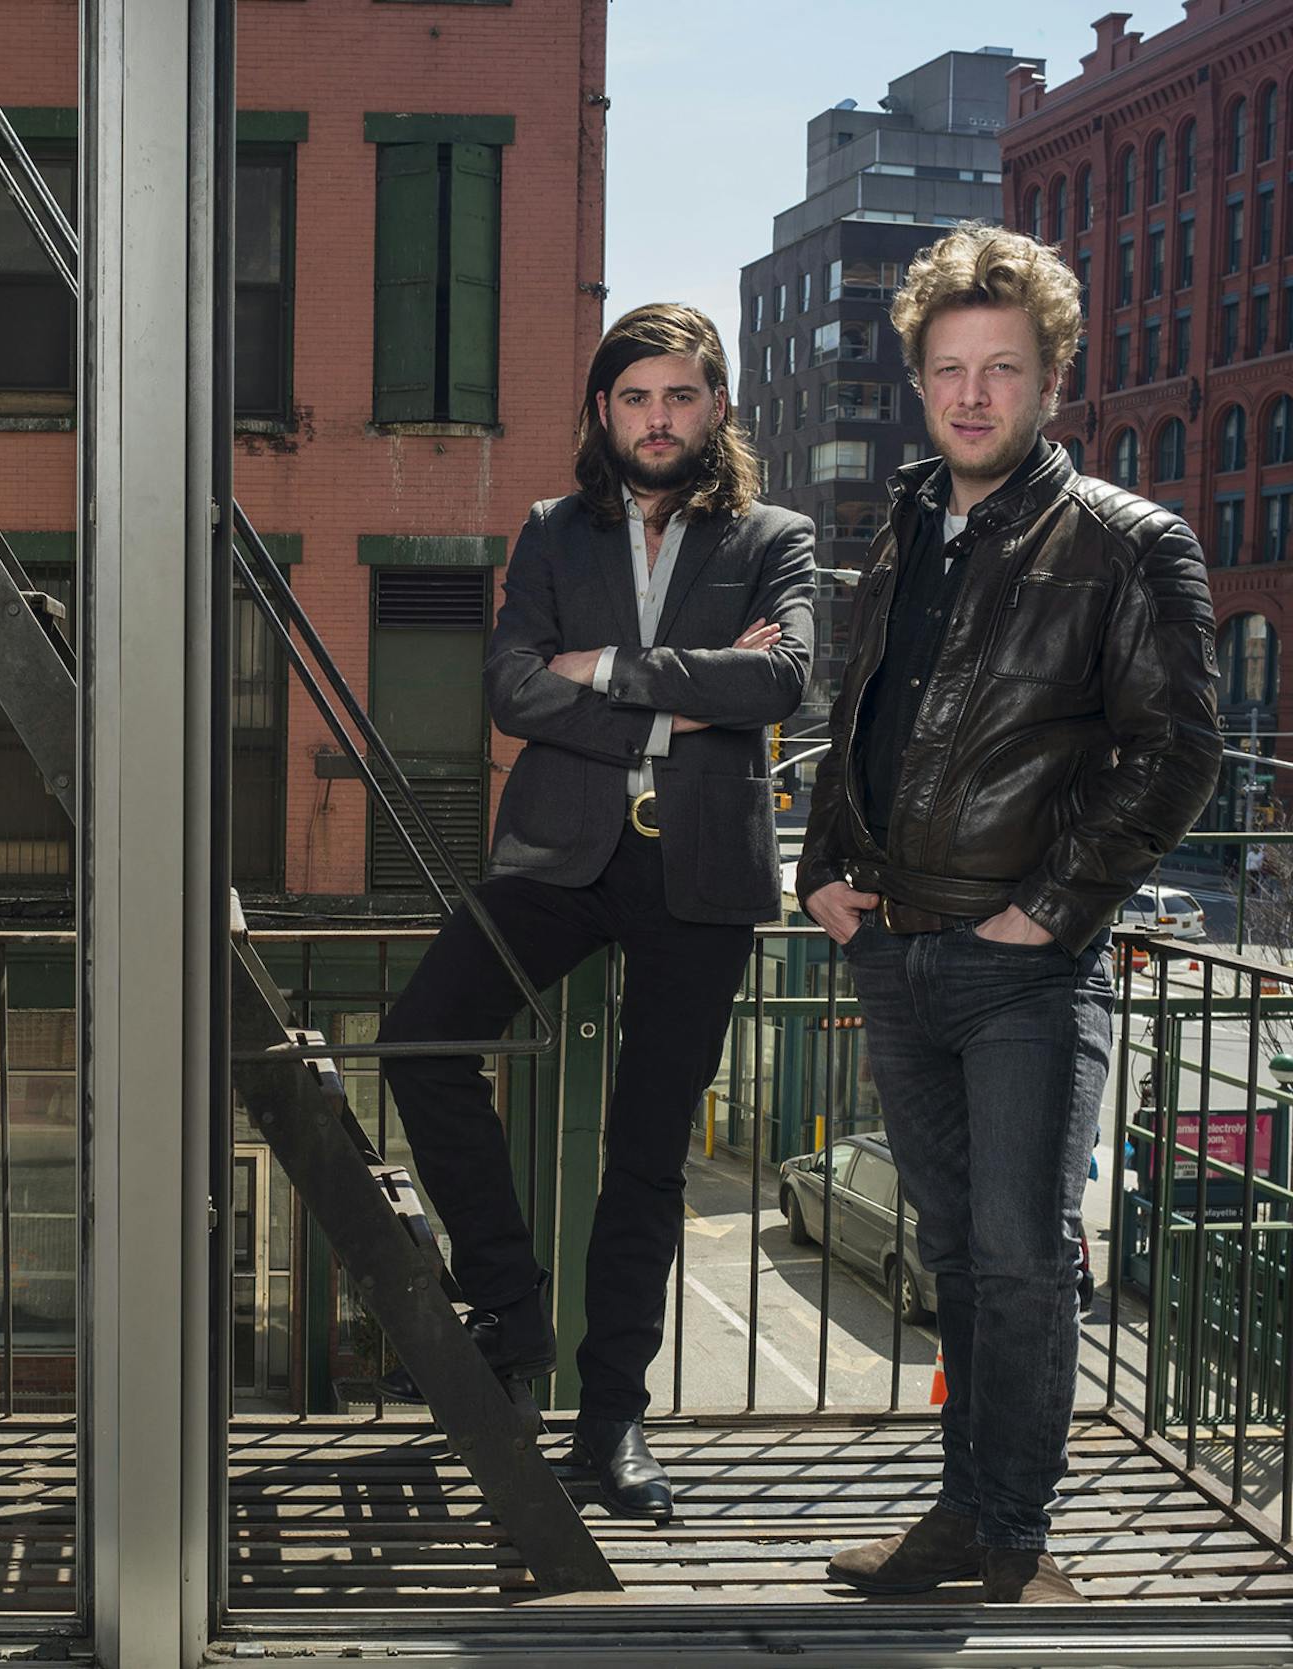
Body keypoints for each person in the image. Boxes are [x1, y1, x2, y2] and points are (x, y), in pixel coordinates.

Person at [801, 224, 1218, 1604]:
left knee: (1024, 1259)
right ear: (921, 380)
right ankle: (966, 1522)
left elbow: (1177, 754)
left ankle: (1016, 1542)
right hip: (899, 953)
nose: (971, 395)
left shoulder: (1126, 544)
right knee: (956, 1260)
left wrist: (1050, 911)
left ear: (1052, 381)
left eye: (1002, 369)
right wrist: (821, 871)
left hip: (1021, 970)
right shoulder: (902, 531)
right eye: (948, 370)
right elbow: (859, 719)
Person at [376, 303, 815, 1521]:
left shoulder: (774, 535)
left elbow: (784, 677)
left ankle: (614, 1422)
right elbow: (512, 688)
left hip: (704, 876)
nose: (658, 418)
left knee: (645, 1155)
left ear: (717, 407)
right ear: (604, 412)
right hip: (560, 853)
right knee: (420, 1038)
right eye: (635, 398)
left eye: (680, 396)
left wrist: (614, 671)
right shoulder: (554, 532)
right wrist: (690, 703)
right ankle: (511, 1311)